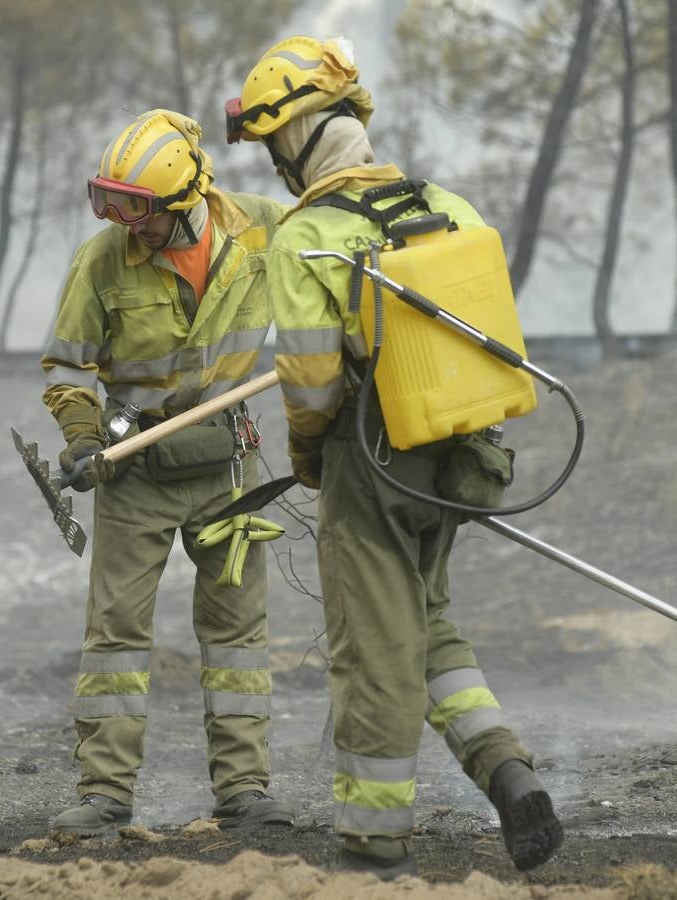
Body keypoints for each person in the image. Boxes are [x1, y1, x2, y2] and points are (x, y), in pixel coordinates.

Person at [225, 37, 564, 877]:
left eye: (273, 146)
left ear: (299, 137)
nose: (274, 165)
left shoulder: (310, 236)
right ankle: (508, 771)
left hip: (370, 468)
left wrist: (308, 457)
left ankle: (372, 843)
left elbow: (307, 384)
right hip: (458, 465)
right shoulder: (452, 207)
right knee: (427, 627)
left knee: (372, 651)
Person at [41, 108, 293, 835]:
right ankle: (104, 795)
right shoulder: (104, 260)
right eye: (110, 203)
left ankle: (244, 789)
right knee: (115, 637)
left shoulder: (264, 232)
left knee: (237, 632)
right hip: (135, 470)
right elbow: (65, 365)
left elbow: (334, 253)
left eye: (139, 209)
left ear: (186, 202)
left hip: (227, 465)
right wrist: (83, 436)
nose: (125, 222)